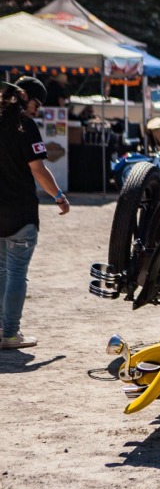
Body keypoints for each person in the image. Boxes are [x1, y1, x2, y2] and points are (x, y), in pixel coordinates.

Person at [1, 77, 69, 350]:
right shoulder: (25, 126)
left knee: (2, 271)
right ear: (25, 96)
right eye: (37, 103)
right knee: (16, 272)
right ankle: (10, 334)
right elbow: (38, 170)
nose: (37, 110)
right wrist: (59, 196)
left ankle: (2, 331)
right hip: (21, 212)